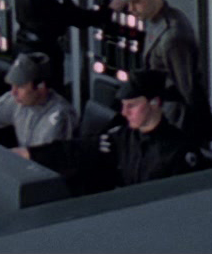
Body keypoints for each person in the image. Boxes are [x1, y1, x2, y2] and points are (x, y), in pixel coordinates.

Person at [21, 70, 201, 194]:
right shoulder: (123, 137)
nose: (124, 113)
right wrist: (32, 154)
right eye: (123, 106)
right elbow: (80, 149)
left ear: (155, 103)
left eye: (132, 106)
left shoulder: (179, 150)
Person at [111, 0, 211, 135]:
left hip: (173, 118)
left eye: (136, 2)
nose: (131, 8)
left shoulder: (172, 37)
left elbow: (187, 90)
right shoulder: (155, 20)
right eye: (129, 3)